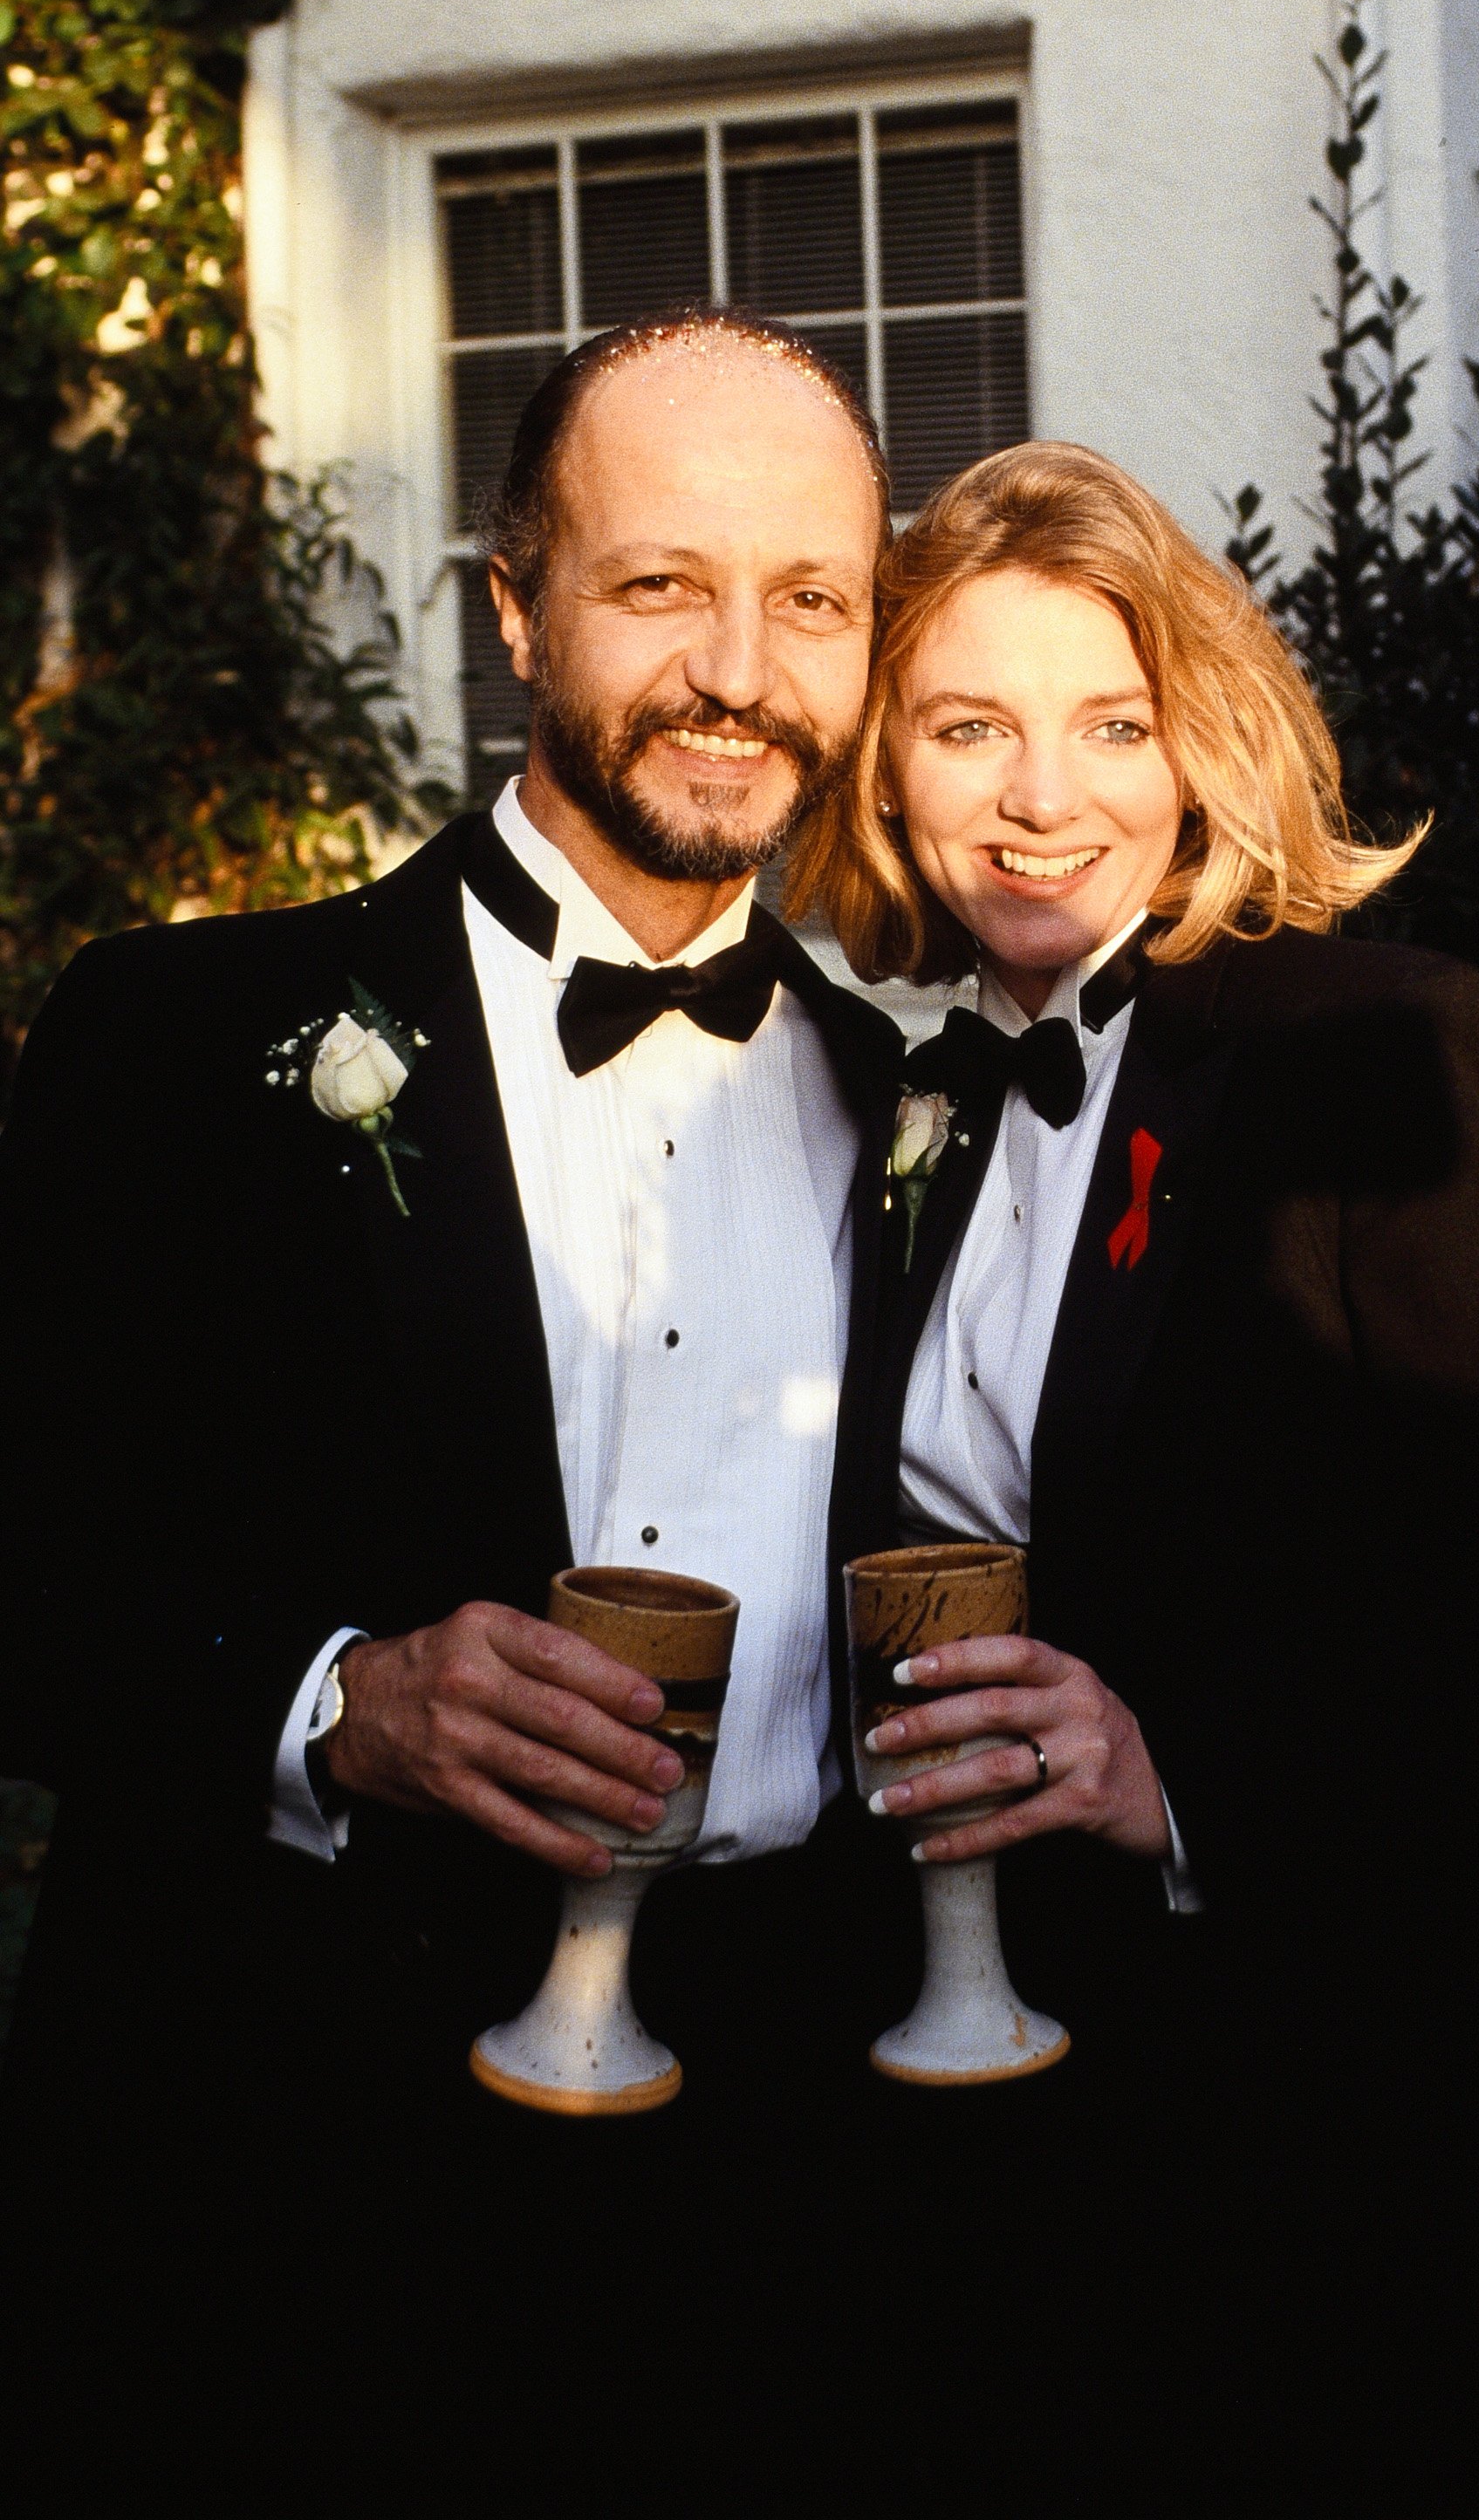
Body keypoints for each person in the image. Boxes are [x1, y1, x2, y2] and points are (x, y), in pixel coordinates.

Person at [788, 440, 1479, 2493]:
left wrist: (1179, 1762)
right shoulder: (907, 1111)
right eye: (970, 726)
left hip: (1362, 2118)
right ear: (885, 774)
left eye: (1111, 724)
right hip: (1033, 2109)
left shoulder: (1383, 1043)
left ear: (1200, 747)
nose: (1046, 795)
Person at [0, 304, 903, 2384]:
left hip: (802, 2190)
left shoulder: (910, 1103)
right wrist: (329, 1701)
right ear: (517, 611)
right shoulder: (176, 1041)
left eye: (812, 601)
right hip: (299, 2178)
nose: (739, 675)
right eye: (660, 585)